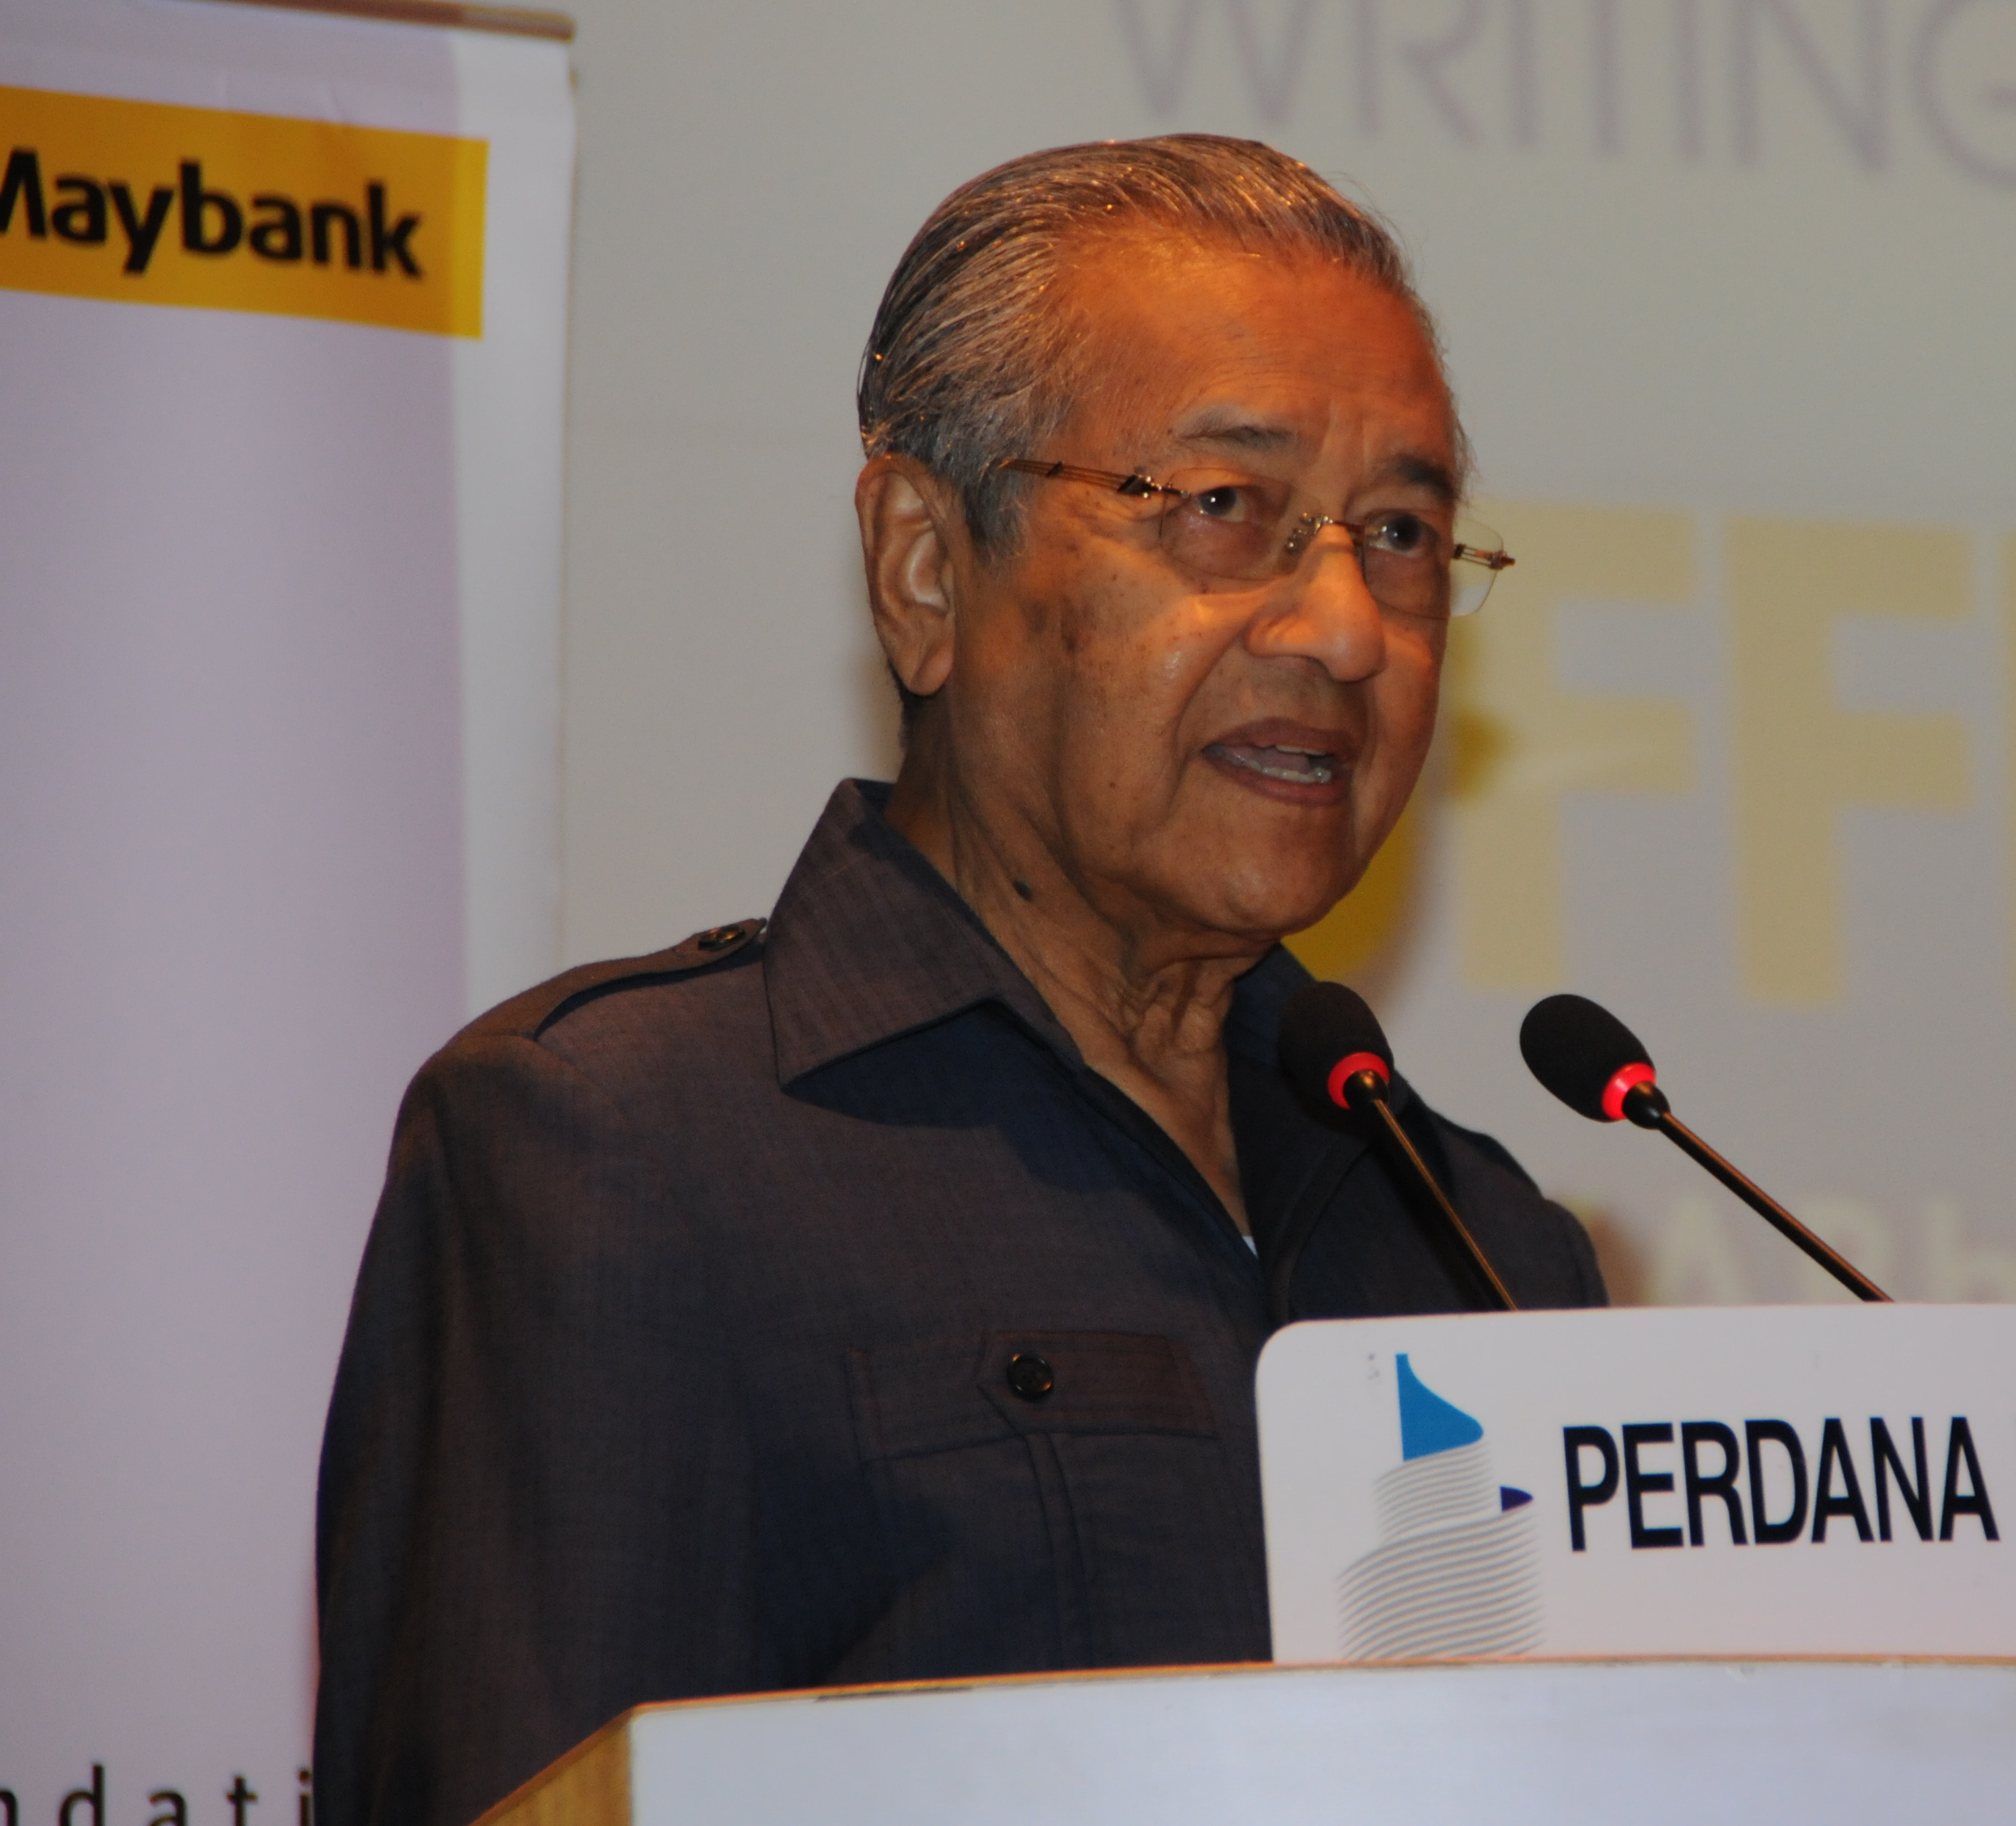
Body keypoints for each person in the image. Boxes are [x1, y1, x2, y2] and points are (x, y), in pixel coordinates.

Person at [313, 136, 1604, 1826]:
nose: (1348, 626)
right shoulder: (619, 1154)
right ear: (927, 566)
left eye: (1403, 532)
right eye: (1224, 507)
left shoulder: (1484, 1248)